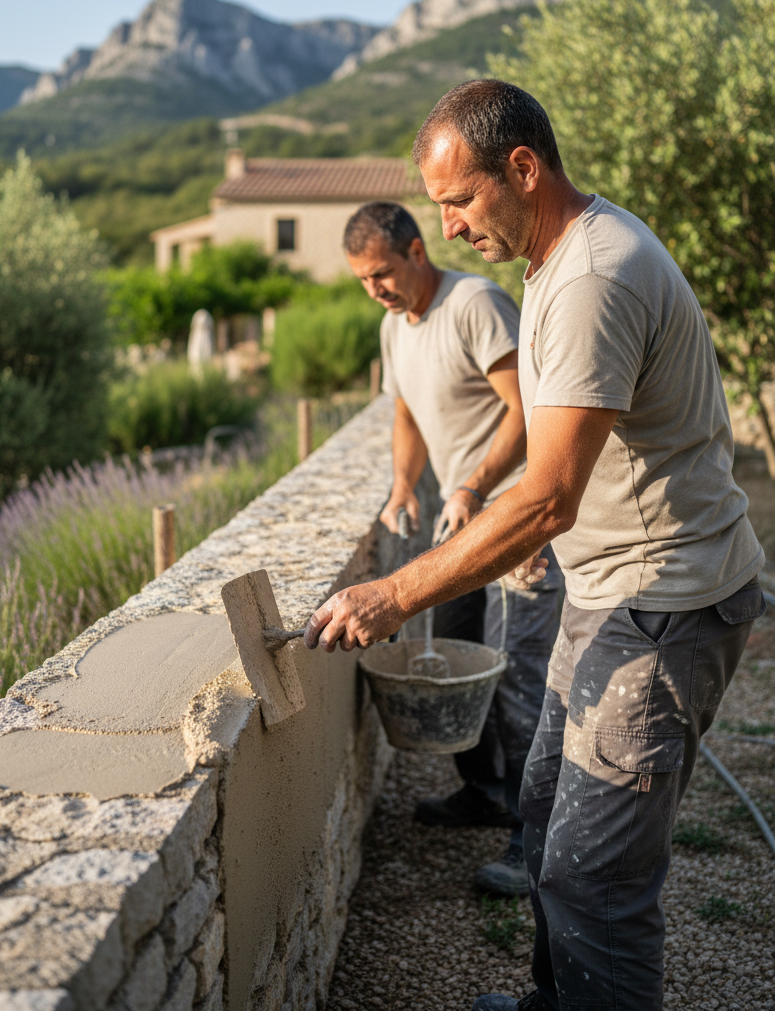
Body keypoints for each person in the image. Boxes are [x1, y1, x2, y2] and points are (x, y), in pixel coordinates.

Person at [306, 79, 765, 1011]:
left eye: (459, 201)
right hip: (609, 594)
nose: (447, 230)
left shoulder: (595, 274)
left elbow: (549, 492)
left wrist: (393, 596)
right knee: (551, 816)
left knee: (596, 883)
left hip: (663, 608)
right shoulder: (555, 260)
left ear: (523, 168)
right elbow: (571, 460)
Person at [343, 200, 561, 895]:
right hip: (460, 522)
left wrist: (471, 484)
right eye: (361, 280)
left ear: (415, 251)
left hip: (518, 518)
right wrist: (407, 484)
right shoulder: (392, 327)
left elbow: (527, 411)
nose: (373, 289)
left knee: (521, 678)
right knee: (462, 655)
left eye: (380, 272)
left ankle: (538, 845)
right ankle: (485, 791)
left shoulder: (475, 304)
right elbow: (405, 411)